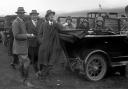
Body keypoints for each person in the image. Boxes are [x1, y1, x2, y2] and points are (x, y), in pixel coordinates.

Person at [38, 10, 64, 79]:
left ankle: (44, 73)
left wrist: (56, 22)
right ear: (47, 17)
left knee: (51, 61)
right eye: (50, 15)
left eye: (52, 15)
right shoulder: (43, 24)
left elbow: (62, 28)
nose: (51, 16)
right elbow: (39, 35)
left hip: (53, 46)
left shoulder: (55, 24)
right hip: (45, 46)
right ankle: (43, 74)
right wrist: (42, 42)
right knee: (44, 60)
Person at [12, 7, 35, 87]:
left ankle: (22, 79)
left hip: (23, 46)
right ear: (17, 14)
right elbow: (16, 36)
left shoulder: (21, 21)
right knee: (27, 62)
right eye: (20, 13)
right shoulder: (16, 22)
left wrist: (27, 34)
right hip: (20, 47)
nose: (22, 14)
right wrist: (27, 35)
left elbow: (22, 33)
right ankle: (26, 80)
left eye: (23, 13)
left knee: (21, 63)